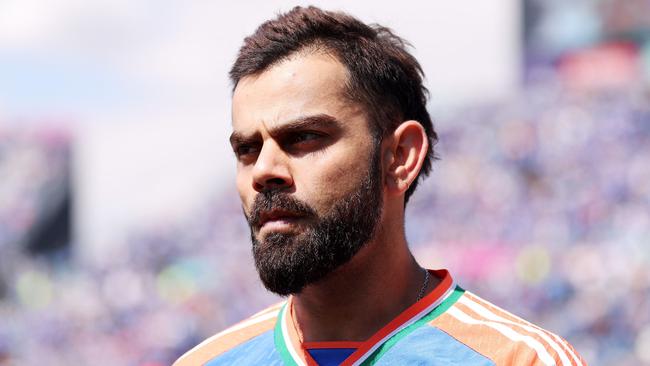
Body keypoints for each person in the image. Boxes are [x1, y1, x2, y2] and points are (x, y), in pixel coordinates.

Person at [174, 6, 585, 366]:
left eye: (304, 137)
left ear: (400, 156)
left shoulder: (522, 359)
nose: (264, 170)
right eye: (246, 149)